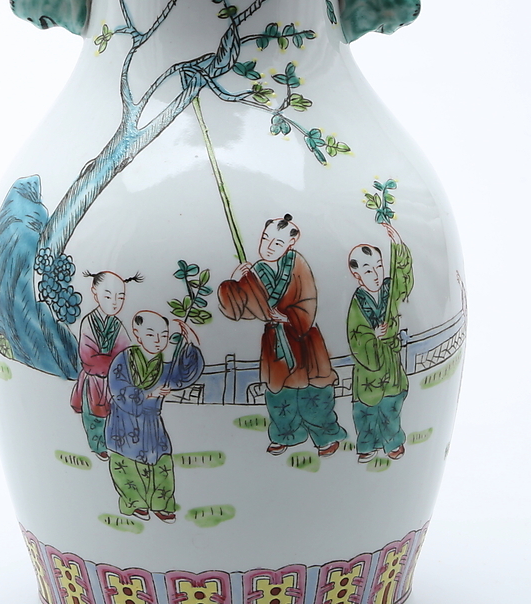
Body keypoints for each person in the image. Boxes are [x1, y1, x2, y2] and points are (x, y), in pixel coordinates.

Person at [218, 215, 347, 457]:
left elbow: (308, 300)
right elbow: (238, 309)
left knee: (314, 393)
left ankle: (325, 437)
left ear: (290, 244)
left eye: (277, 243)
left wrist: (288, 318)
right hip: (275, 342)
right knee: (280, 396)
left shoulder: (298, 265)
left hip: (303, 339)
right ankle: (286, 435)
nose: (268, 247)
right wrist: (234, 281)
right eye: (265, 239)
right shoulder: (256, 272)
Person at [105, 312, 204, 522]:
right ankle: (136, 503)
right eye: (151, 335)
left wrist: (190, 345)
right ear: (137, 334)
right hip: (125, 422)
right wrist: (148, 394)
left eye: (164, 335)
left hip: (152, 424)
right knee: (127, 464)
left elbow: (182, 375)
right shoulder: (124, 360)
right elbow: (118, 389)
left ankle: (162, 505)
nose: (158, 341)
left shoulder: (163, 366)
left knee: (161, 462)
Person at [346, 222, 414, 462]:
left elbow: (403, 281)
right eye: (367, 271)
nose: (375, 275)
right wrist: (373, 337)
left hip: (390, 363)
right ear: (357, 275)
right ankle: (367, 445)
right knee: (366, 411)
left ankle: (393, 442)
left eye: (379, 266)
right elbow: (356, 336)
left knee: (390, 406)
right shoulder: (358, 303)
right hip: (369, 368)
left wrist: (398, 246)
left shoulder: (389, 290)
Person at [69, 270, 141, 460]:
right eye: (108, 296)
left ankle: (116, 445)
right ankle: (98, 447)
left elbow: (125, 352)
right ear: (95, 293)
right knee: (94, 417)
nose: (115, 303)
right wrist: (113, 363)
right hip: (94, 381)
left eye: (120, 297)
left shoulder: (117, 325)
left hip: (113, 382)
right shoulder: (88, 323)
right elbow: (88, 357)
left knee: (115, 415)